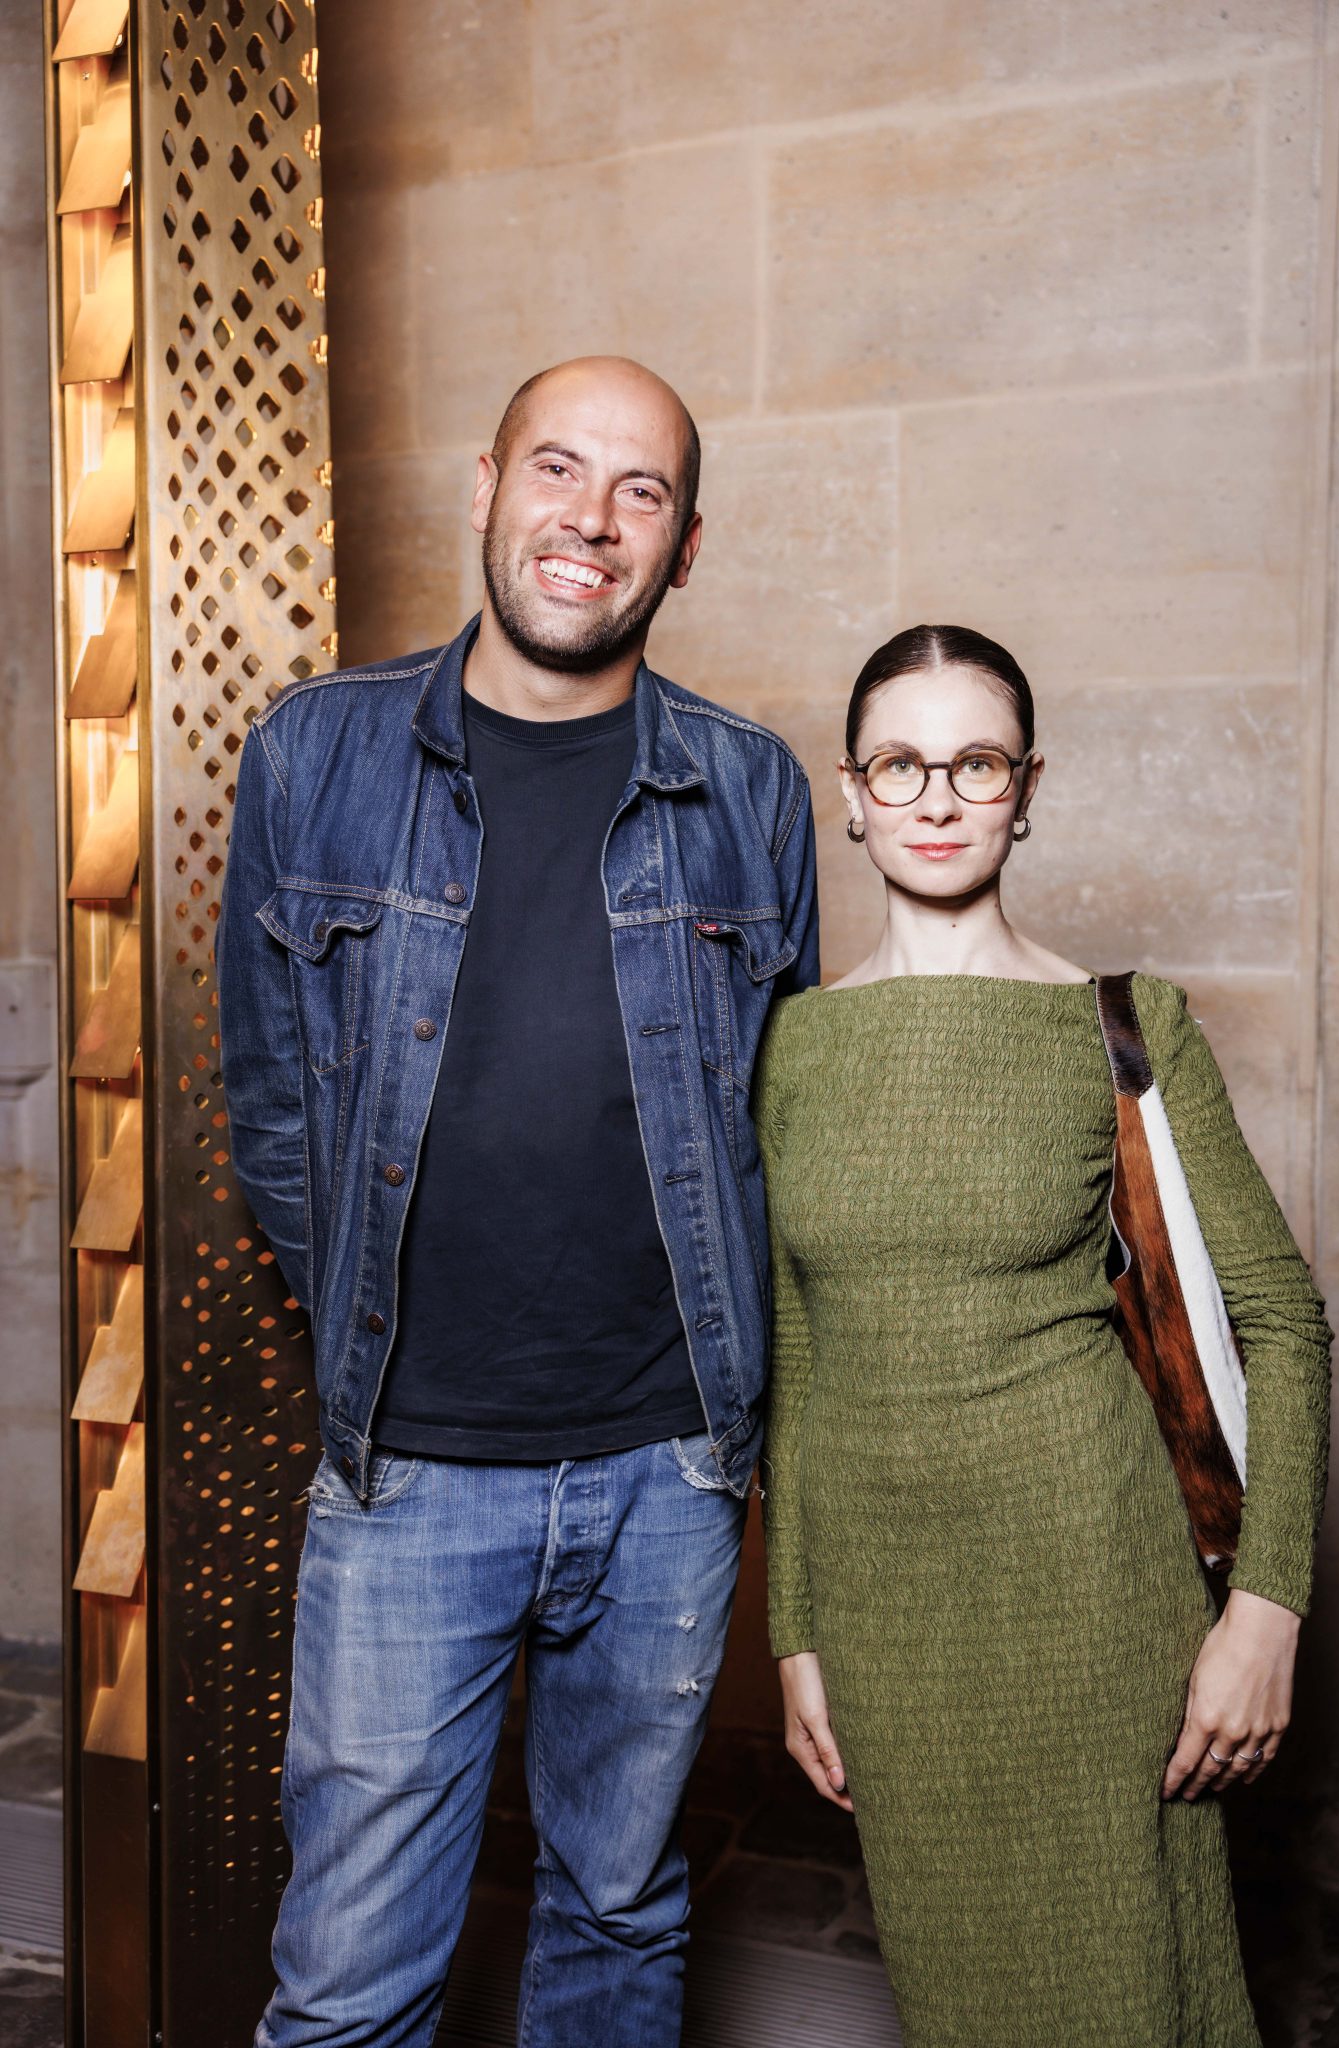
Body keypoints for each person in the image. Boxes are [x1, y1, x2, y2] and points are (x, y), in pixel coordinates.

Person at [217, 356, 819, 2048]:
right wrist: (363, 1330)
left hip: (666, 1468)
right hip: (409, 1468)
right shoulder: (317, 756)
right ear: (485, 486)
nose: (592, 521)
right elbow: (270, 1103)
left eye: (641, 493)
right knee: (346, 1988)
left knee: (620, 1919)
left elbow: (777, 1124)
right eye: (560, 470)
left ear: (684, 547)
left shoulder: (748, 789)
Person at [756, 624, 1331, 2046]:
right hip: (890, 1630)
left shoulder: (1118, 1029)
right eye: (901, 762)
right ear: (850, 790)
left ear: (1025, 789)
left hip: (1089, 1607)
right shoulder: (795, 1048)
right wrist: (793, 1635)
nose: (937, 795)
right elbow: (800, 1355)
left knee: (1125, 1996)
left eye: (975, 761)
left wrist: (1265, 1612)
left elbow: (1280, 1321)